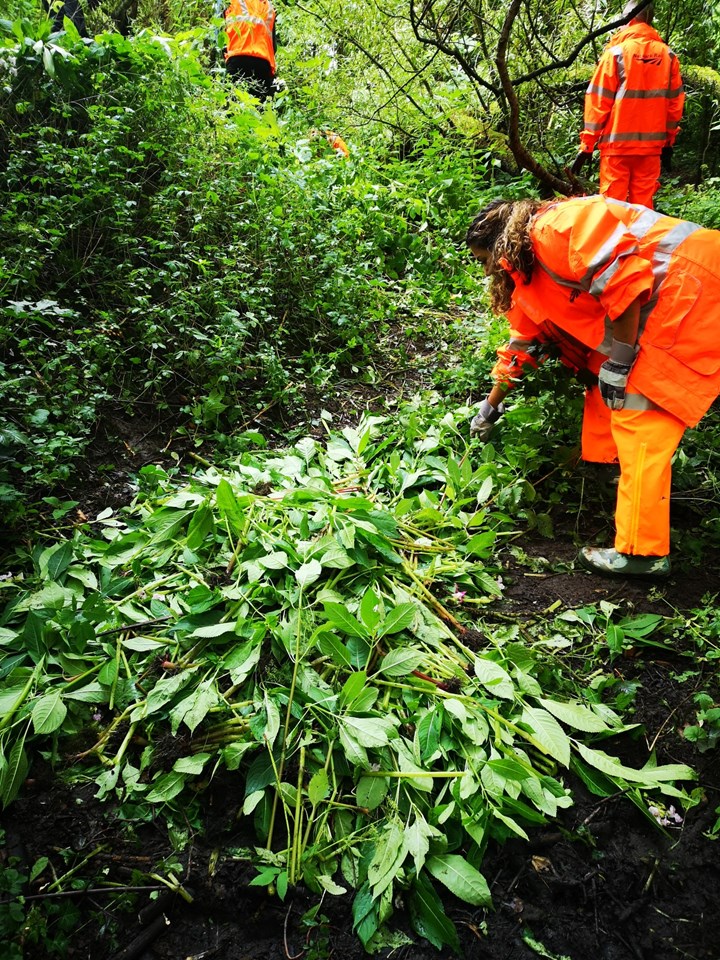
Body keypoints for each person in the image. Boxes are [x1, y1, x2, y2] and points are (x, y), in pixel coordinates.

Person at [466, 194, 720, 579]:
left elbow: (624, 282)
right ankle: (612, 473)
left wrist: (620, 359)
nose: (486, 273)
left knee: (641, 416)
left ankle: (641, 552)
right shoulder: (527, 272)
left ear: (499, 243)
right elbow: (522, 345)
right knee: (605, 379)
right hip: (682, 293)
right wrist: (490, 407)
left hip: (694, 285)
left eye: (483, 260)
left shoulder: (555, 228)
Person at [570, 1, 684, 209]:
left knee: (613, 209)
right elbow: (674, 105)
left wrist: (587, 145)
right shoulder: (668, 56)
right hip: (650, 149)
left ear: (629, 19)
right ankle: (640, 242)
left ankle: (616, 242)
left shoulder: (615, 54)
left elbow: (598, 101)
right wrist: (668, 142)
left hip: (617, 149)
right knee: (643, 212)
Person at [224, 0, 277, 101]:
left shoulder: (232, 2)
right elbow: (274, 46)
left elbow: (220, 36)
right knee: (260, 108)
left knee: (234, 106)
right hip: (263, 63)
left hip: (237, 58)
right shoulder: (269, 7)